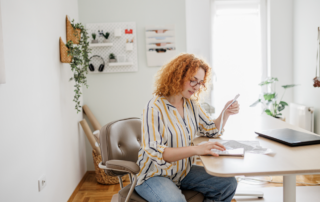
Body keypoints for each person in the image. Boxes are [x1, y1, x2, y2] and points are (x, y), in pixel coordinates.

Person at [135, 53, 240, 202]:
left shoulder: (190, 105)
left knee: (228, 183)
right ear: (177, 76)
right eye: (193, 81)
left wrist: (226, 112)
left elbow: (211, 130)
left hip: (182, 172)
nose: (197, 87)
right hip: (154, 175)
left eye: (200, 83)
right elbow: (156, 151)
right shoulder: (154, 107)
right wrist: (196, 149)